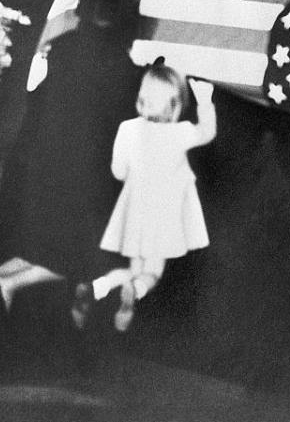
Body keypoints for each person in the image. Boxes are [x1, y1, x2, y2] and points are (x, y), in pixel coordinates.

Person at [0, 0, 144, 333]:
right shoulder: (120, 66)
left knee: (39, 251)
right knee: (90, 259)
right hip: (81, 181)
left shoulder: (63, 50)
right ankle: (7, 285)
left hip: (41, 172)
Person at [72, 64, 216, 333]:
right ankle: (134, 295)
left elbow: (118, 171)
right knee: (152, 272)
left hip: (135, 213)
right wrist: (205, 102)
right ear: (174, 106)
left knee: (132, 266)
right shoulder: (180, 132)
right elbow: (207, 133)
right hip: (163, 215)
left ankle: (96, 288)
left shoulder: (128, 129)